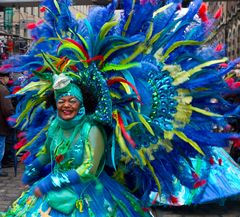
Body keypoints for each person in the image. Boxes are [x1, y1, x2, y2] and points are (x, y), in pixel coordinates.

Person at [1, 0, 240, 216]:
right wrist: (35, 167)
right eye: (61, 101)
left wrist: (50, 183)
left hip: (90, 197)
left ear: (82, 102)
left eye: (71, 101)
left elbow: (88, 169)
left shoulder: (93, 129)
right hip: (52, 199)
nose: (65, 106)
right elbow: (46, 151)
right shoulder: (55, 125)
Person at [0, 71, 14, 177]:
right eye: (8, 77)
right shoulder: (3, 90)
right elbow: (7, 109)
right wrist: (13, 119)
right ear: (3, 78)